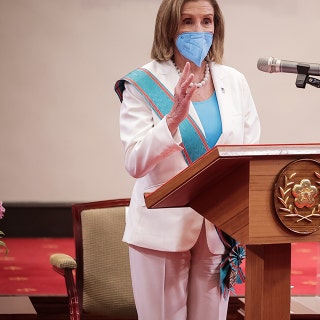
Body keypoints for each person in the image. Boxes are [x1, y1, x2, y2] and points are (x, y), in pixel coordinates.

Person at [114, 0, 260, 319]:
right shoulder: (142, 83)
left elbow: (249, 153)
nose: (199, 30)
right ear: (169, 26)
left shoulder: (234, 82)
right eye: (187, 21)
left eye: (206, 21)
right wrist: (171, 122)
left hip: (217, 227)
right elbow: (135, 162)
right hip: (161, 229)